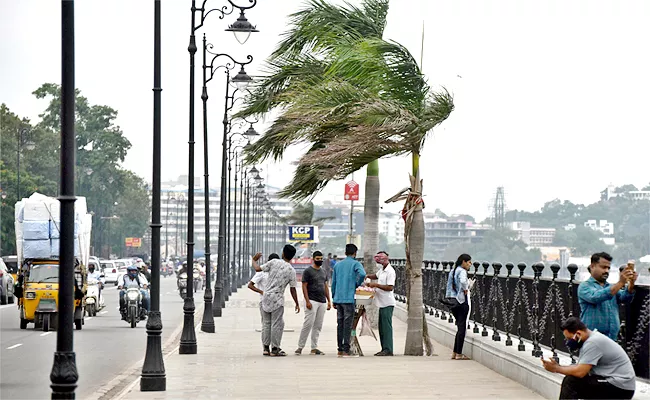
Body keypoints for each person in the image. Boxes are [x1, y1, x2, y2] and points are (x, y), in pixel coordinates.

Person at [542, 317, 636, 399]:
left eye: (569, 338)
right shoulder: (590, 340)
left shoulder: (593, 343)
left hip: (620, 387)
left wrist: (556, 369)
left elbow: (580, 372)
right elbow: (580, 368)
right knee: (574, 381)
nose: (568, 342)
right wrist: (559, 366)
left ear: (578, 333)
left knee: (571, 382)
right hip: (614, 383)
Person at [252, 245, 300, 357]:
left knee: (266, 324)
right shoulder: (291, 271)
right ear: (292, 257)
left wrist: (254, 260)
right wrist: (297, 303)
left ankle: (265, 348)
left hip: (266, 297)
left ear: (283, 253)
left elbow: (258, 269)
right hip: (278, 299)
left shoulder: (274, 262)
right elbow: (293, 289)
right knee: (276, 324)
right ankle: (275, 349)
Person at [578, 252, 636, 341]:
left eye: (608, 268)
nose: (606, 271)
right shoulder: (584, 286)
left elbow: (624, 298)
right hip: (592, 338)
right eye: (603, 267)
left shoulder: (610, 287)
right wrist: (620, 282)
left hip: (612, 338)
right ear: (592, 266)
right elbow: (596, 297)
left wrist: (631, 283)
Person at [331, 244, 366, 358]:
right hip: (349, 298)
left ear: (345, 252)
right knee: (347, 324)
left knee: (339, 324)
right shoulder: (356, 264)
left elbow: (333, 283)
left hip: (338, 298)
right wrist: (356, 283)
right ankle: (346, 349)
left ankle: (340, 349)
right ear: (355, 253)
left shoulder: (338, 265)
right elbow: (362, 274)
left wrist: (334, 298)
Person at [295, 251, 332, 356]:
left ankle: (314, 348)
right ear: (313, 258)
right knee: (308, 324)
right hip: (311, 301)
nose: (320, 260)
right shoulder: (308, 271)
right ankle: (300, 347)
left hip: (322, 301)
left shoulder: (323, 271)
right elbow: (304, 286)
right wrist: (307, 301)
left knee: (318, 326)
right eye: (318, 258)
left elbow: (325, 286)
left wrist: (329, 301)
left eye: (321, 258)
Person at [365, 251, 396, 356]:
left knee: (386, 328)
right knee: (382, 328)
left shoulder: (390, 271)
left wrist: (375, 285)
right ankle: (384, 348)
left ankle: (388, 349)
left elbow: (390, 287)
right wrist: (367, 276)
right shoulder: (382, 270)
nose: (378, 261)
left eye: (380, 258)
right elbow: (375, 275)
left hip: (387, 303)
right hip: (381, 303)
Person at [445, 253, 474, 360]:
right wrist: (466, 288)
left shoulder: (453, 271)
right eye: (469, 262)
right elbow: (462, 281)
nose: (470, 264)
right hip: (461, 301)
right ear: (464, 262)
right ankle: (458, 354)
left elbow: (449, 286)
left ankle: (455, 352)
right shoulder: (462, 271)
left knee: (459, 326)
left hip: (453, 301)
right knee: (462, 327)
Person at [248, 253, 278, 356]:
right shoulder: (263, 273)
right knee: (270, 324)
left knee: (269, 324)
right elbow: (250, 285)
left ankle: (269, 347)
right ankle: (270, 347)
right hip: (267, 301)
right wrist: (262, 292)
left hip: (272, 301)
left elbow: (250, 285)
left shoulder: (273, 273)